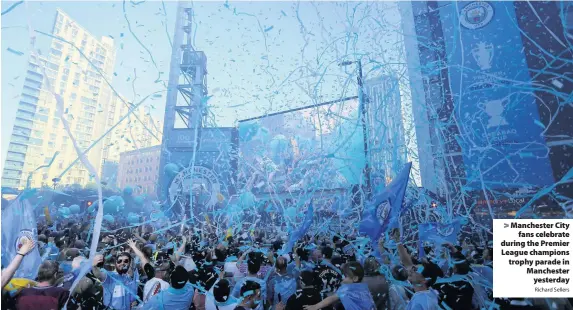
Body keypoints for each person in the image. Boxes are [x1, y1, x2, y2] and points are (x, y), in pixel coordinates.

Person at [303, 261, 376, 310]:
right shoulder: (364, 287)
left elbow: (331, 299)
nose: (343, 277)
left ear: (355, 278)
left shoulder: (346, 289)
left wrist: (315, 306)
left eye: (345, 276)